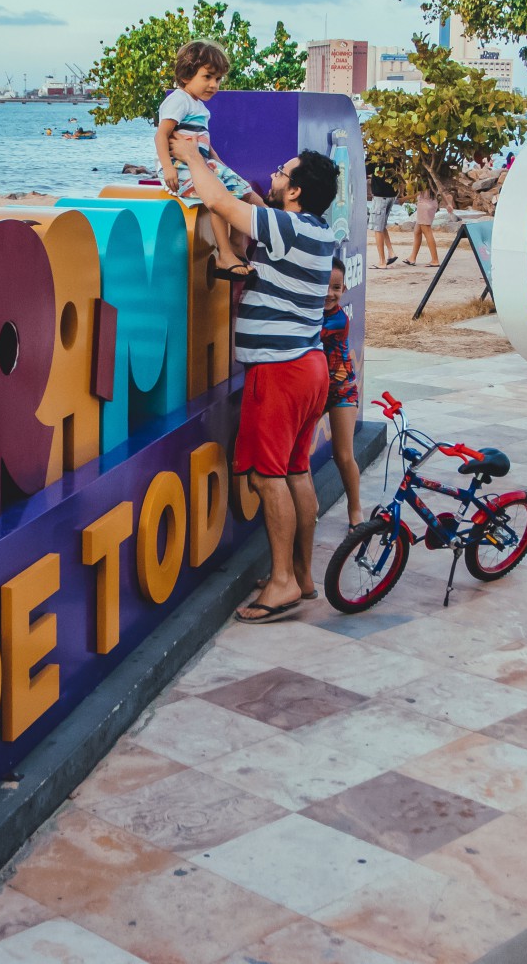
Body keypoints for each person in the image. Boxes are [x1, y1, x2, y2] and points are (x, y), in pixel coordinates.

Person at [171, 135, 339, 623]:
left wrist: (190, 158)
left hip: (280, 370)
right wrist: (216, 162)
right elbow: (244, 197)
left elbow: (223, 204)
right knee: (295, 472)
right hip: (308, 367)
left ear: (296, 192)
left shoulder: (285, 228)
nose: (274, 176)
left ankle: (282, 582)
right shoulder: (314, 230)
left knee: (268, 479)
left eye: (282, 172)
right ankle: (302, 576)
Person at [155, 39, 259, 280]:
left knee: (244, 191)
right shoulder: (179, 99)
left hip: (201, 166)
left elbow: (206, 147)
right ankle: (224, 253)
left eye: (218, 79)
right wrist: (167, 168)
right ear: (186, 75)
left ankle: (237, 245)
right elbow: (161, 135)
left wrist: (224, 167)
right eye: (207, 77)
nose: (214, 84)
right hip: (180, 169)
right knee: (218, 195)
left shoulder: (198, 106)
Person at [317, 259, 363, 526]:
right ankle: (309, 504)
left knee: (344, 455)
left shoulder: (337, 319)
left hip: (341, 390)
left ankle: (355, 510)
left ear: (344, 289)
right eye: (324, 285)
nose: (329, 293)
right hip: (314, 390)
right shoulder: (309, 313)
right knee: (297, 453)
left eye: (335, 287)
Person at [404, 186, 442, 266]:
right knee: (417, 231)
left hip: (424, 205)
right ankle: (412, 258)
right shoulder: (433, 180)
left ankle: (435, 260)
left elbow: (418, 192)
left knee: (427, 232)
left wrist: (404, 198)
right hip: (432, 203)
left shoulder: (423, 179)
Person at [367, 171, 398, 267]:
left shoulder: (376, 161)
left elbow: (367, 170)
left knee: (378, 228)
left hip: (380, 196)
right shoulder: (393, 161)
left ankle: (382, 261)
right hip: (391, 194)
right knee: (381, 225)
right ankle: (391, 252)